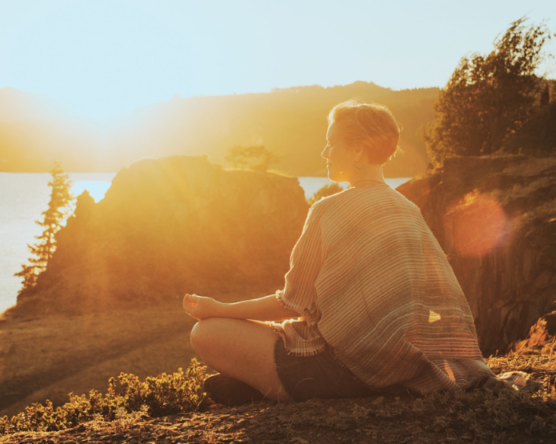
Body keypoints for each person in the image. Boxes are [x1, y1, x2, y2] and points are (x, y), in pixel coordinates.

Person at [183, 100, 495, 404]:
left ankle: (275, 386)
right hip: (395, 366)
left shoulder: (328, 210)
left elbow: (292, 303)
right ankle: (261, 385)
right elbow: (440, 301)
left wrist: (219, 308)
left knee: (206, 333)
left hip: (330, 366)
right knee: (279, 336)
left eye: (331, 142)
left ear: (358, 149)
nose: (324, 152)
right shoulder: (409, 211)